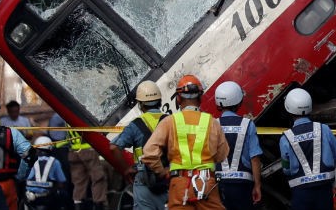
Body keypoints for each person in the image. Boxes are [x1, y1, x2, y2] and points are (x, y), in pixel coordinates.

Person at [142, 75, 229, 210]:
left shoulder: (169, 122)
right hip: (206, 183)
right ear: (200, 98)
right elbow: (222, 155)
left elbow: (149, 153)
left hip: (179, 184)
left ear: (178, 98)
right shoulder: (212, 122)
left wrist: (162, 171)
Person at [279, 88, 336, 210]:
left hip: (300, 193)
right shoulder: (324, 129)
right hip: (324, 189)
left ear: (288, 109)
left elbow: (286, 169)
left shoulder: (286, 138)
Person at [110, 80, 170, 210]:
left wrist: (126, 169)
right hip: (168, 176)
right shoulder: (172, 121)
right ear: (159, 101)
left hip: (144, 179)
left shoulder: (135, 125)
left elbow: (114, 147)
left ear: (140, 104)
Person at [213, 81, 262, 210]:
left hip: (220, 185)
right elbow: (255, 158)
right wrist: (257, 185)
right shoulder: (247, 124)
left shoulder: (212, 125)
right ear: (238, 101)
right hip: (243, 185)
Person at [68, 125, 109, 210]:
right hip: (88, 149)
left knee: (79, 181)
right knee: (98, 178)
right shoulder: (80, 112)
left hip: (73, 151)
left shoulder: (69, 112)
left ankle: (78, 204)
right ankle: (99, 204)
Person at [22, 136, 68, 210]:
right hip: (47, 198)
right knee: (64, 194)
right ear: (50, 148)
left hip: (29, 198)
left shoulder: (28, 160)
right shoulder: (55, 162)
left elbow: (21, 177)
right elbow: (61, 182)